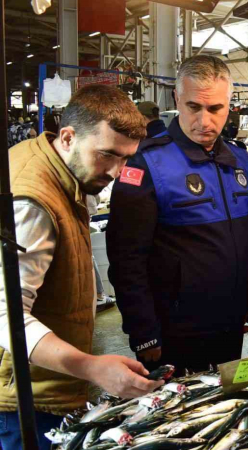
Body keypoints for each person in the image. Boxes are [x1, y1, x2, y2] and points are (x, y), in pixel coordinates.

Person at [0, 85, 162, 449]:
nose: (117, 172)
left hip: (45, 380)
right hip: (24, 395)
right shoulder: (33, 200)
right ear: (69, 137)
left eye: (126, 158)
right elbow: (5, 315)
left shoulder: (55, 163)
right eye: (107, 155)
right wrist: (91, 367)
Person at [107, 56, 248, 374]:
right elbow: (127, 259)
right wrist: (143, 332)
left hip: (229, 321)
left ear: (229, 104)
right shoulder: (146, 164)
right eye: (194, 107)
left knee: (225, 408)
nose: (204, 122)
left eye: (215, 109)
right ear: (177, 99)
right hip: (174, 330)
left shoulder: (237, 160)